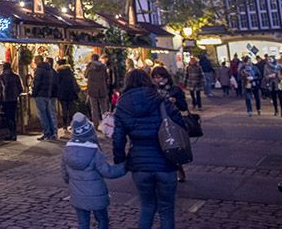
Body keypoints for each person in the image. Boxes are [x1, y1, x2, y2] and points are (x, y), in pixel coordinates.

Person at [112, 69, 185, 229]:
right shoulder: (160, 99)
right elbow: (180, 124)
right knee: (166, 210)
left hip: (140, 163)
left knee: (147, 207)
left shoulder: (122, 104)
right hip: (165, 161)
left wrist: (120, 160)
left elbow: (118, 137)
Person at [61, 112, 126, 229]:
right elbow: (108, 172)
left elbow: (65, 174)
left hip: (77, 195)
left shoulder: (67, 151)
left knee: (83, 223)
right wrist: (125, 166)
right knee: (102, 220)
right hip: (97, 194)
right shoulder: (94, 152)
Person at [150, 66, 188, 183]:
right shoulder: (151, 90)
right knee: (160, 148)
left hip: (173, 122)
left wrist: (175, 101)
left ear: (166, 77)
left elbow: (184, 106)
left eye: (159, 77)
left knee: (174, 147)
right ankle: (165, 172)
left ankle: (179, 168)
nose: (157, 80)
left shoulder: (175, 89)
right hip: (157, 122)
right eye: (155, 77)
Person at [32, 55, 58, 141]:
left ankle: (47, 133)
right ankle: (52, 132)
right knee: (48, 114)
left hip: (40, 95)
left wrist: (34, 93)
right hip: (47, 94)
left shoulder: (39, 70)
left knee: (43, 115)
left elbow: (36, 83)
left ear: (38, 60)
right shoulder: (49, 70)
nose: (34, 62)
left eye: (35, 60)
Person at [0, 62, 23, 141]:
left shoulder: (1, 77)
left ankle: (11, 134)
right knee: (13, 117)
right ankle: (14, 134)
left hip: (5, 100)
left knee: (8, 118)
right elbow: (21, 88)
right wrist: (16, 94)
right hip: (14, 99)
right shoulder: (16, 76)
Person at [56, 58, 80, 138]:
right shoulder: (70, 72)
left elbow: (57, 83)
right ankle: (71, 124)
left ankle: (65, 125)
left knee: (64, 109)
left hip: (62, 93)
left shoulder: (59, 72)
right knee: (71, 108)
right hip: (70, 92)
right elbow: (74, 82)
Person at [84, 53, 110, 129]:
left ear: (92, 59)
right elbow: (106, 77)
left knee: (94, 109)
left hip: (92, 90)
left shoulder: (90, 67)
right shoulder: (103, 67)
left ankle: (95, 125)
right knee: (104, 109)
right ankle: (105, 125)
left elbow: (85, 75)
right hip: (102, 89)